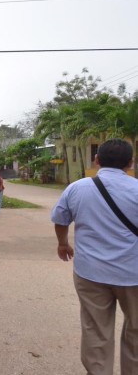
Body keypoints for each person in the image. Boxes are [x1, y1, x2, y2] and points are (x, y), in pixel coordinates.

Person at [51, 138, 138, 375]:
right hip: (134, 274)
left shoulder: (77, 188)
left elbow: (60, 218)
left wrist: (63, 243)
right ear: (130, 163)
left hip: (91, 274)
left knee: (96, 331)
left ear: (96, 160)